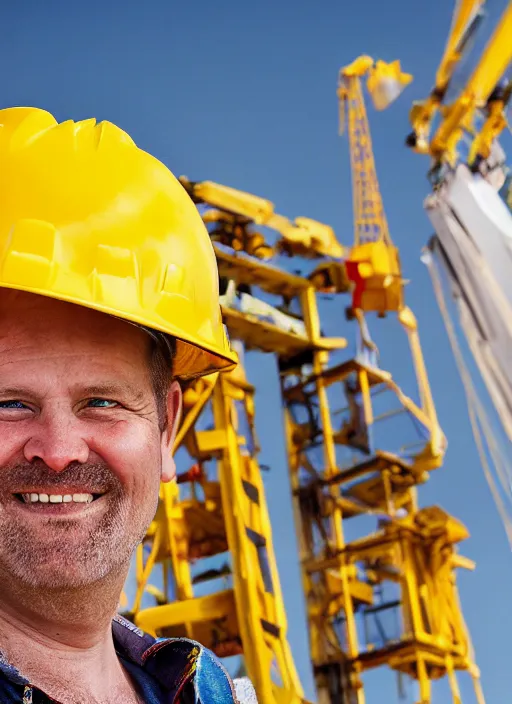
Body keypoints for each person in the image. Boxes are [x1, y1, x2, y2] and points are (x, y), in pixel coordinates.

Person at [0, 107, 257, 703]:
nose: (59, 452)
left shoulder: (211, 693)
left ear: (166, 427)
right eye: (10, 404)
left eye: (101, 402)